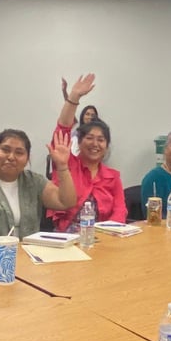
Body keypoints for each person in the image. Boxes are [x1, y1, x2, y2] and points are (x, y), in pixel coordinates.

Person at [48, 73, 127, 230]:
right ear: (80, 141)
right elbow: (62, 128)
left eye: (101, 140)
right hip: (68, 236)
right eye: (90, 138)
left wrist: (109, 233)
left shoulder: (113, 176)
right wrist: (73, 98)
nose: (95, 144)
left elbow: (120, 210)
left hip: (104, 236)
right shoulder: (67, 164)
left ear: (107, 145)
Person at [0, 129, 76, 238]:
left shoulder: (34, 182)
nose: (11, 157)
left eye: (19, 152)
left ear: (27, 159)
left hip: (29, 252)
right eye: (5, 150)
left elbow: (66, 202)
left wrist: (62, 166)